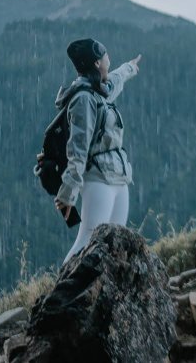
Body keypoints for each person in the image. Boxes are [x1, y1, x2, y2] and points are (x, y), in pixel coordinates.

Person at [54, 37, 142, 263]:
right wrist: (68, 193)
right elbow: (78, 149)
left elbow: (115, 79)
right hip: (98, 179)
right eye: (104, 55)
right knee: (86, 242)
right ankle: (62, 294)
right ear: (96, 63)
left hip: (118, 177)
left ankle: (99, 295)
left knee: (113, 242)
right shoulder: (83, 99)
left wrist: (129, 67)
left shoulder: (98, 91)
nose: (108, 58)